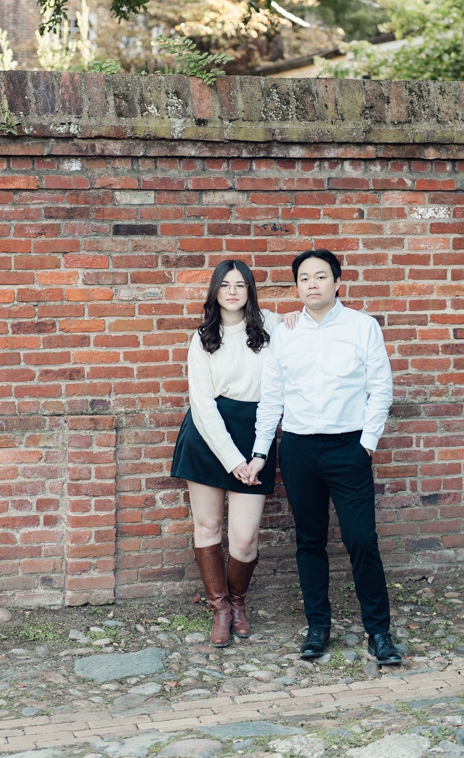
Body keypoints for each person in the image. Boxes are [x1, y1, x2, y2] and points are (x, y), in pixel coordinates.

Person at [244, 249, 401, 665]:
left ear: (337, 282)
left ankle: (379, 632)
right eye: (304, 279)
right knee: (309, 541)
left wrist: (366, 444)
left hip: (348, 447)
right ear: (297, 287)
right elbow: (271, 397)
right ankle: (318, 627)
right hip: (298, 449)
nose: (312, 284)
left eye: (320, 276)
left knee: (361, 539)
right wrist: (261, 453)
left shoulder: (363, 327)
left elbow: (380, 389)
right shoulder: (286, 331)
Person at [171, 259, 298, 648]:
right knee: (208, 528)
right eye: (224, 285)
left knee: (244, 539)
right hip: (208, 438)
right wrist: (233, 460)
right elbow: (203, 406)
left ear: (249, 291)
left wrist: (297, 317)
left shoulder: (271, 326)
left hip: (255, 433)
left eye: (240, 285)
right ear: (215, 291)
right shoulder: (202, 338)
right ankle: (222, 608)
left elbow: (310, 327)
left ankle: (240, 601)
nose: (232, 291)